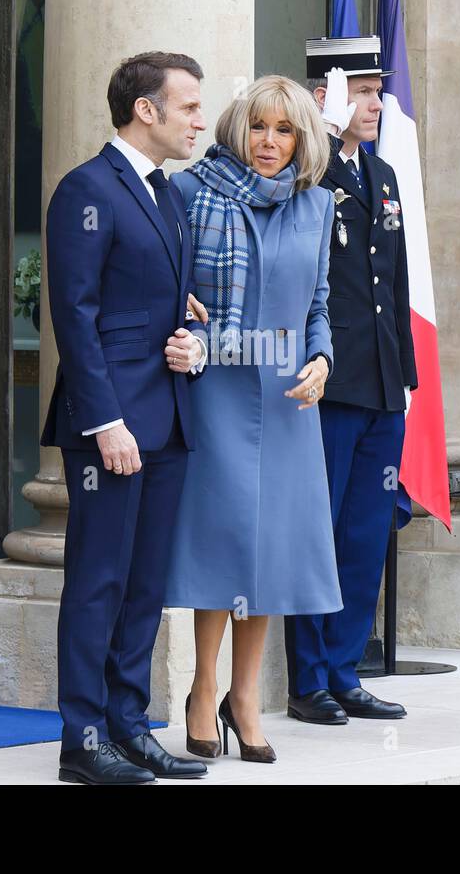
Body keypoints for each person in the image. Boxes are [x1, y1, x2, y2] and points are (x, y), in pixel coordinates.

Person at [43, 50, 212, 784]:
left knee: (145, 586)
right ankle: (81, 740)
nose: (200, 120)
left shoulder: (168, 195)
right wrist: (104, 422)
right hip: (109, 424)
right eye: (188, 107)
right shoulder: (86, 189)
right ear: (145, 110)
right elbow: (73, 318)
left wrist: (194, 344)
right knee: (98, 580)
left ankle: (128, 724)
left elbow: (178, 306)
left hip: (168, 419)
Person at [165, 75, 340, 764]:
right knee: (223, 542)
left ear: (303, 139)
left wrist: (322, 359)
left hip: (290, 402)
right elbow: (162, 284)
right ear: (240, 129)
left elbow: (320, 304)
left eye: (285, 130)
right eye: (259, 127)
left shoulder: (319, 205)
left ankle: (246, 698)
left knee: (270, 553)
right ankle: (202, 689)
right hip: (218, 390)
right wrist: (183, 306)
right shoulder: (188, 191)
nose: (269, 143)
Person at [283, 36, 416, 725]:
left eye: (376, 91)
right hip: (328, 385)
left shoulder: (384, 176)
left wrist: (407, 381)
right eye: (360, 91)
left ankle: (344, 670)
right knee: (319, 532)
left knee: (365, 535)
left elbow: (392, 283)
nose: (375, 103)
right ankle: (306, 679)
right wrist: (324, 139)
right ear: (324, 98)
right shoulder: (307, 175)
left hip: (381, 385)